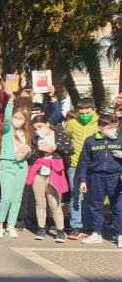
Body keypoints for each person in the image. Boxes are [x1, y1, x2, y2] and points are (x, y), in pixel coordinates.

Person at [26, 114, 74, 242]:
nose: (38, 130)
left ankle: (60, 230)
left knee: (54, 202)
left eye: (40, 126)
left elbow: (70, 149)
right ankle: (41, 228)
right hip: (39, 171)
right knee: (40, 201)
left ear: (47, 123)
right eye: (35, 128)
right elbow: (30, 156)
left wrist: (57, 147)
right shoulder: (35, 138)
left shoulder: (59, 135)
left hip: (54, 171)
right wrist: (39, 149)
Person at [76, 114, 121, 247]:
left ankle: (120, 234)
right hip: (95, 177)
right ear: (101, 127)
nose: (114, 130)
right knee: (95, 206)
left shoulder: (120, 139)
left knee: (118, 207)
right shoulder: (90, 141)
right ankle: (97, 233)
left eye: (115, 127)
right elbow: (83, 162)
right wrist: (83, 180)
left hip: (116, 177)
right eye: (111, 127)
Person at [0, 96, 33, 238]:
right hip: (7, 164)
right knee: (7, 196)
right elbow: (8, 121)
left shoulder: (27, 133)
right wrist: (10, 104)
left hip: (22, 166)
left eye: (20, 118)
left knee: (17, 197)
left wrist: (27, 150)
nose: (17, 120)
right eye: (16, 117)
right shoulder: (7, 130)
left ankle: (11, 225)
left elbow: (30, 149)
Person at [63, 98, 100, 240]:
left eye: (87, 112)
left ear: (94, 110)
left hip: (93, 165)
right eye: (81, 112)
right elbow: (66, 139)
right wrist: (68, 154)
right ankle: (76, 226)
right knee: (75, 195)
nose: (84, 114)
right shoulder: (71, 123)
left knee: (92, 196)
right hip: (74, 165)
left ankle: (89, 225)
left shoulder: (99, 123)